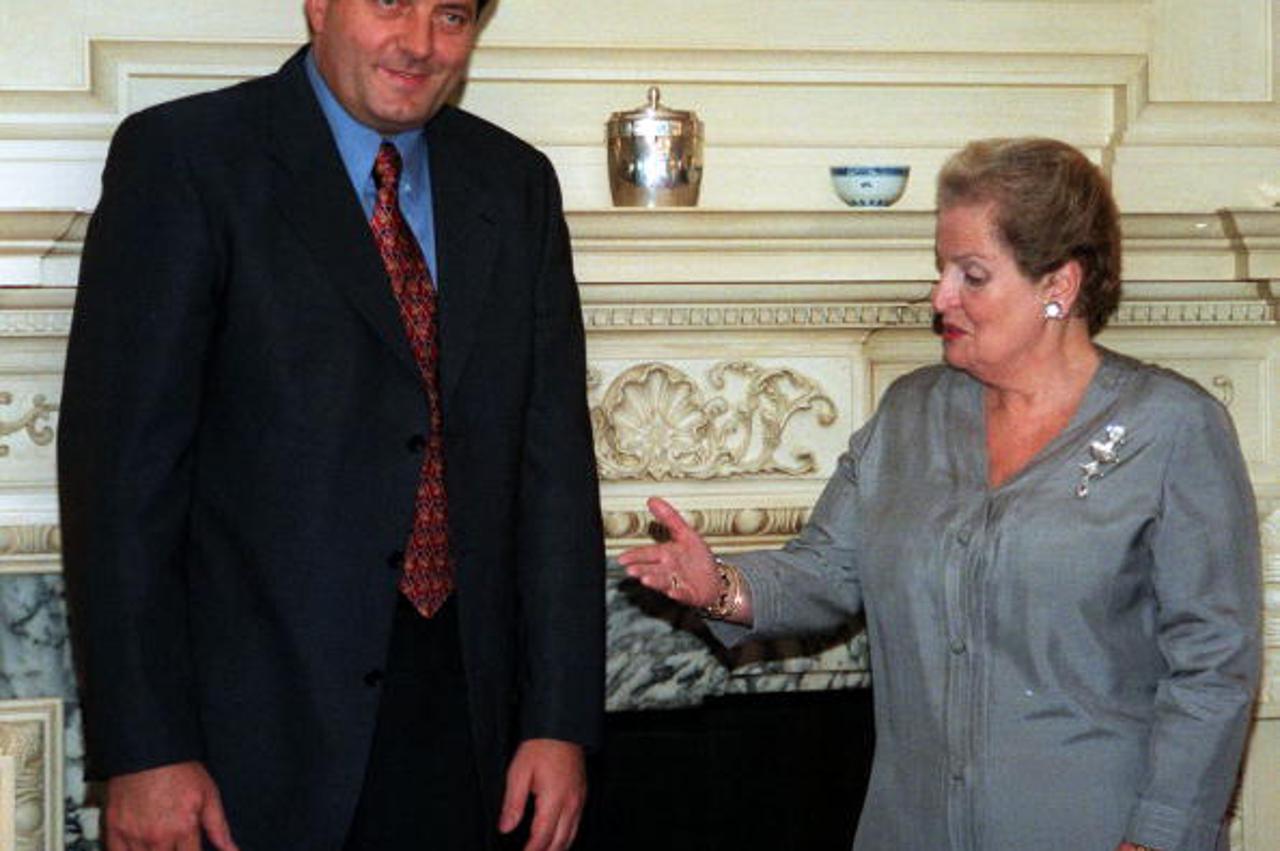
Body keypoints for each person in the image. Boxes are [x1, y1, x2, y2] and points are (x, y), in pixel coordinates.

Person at [57, 0, 605, 848]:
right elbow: (121, 483)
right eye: (390, 2)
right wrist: (146, 750)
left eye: (451, 15)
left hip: (470, 734)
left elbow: (555, 474)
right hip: (246, 748)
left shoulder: (515, 183)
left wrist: (560, 721)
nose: (419, 44)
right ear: (318, 5)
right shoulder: (187, 160)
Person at [620, 137, 1261, 851]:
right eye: (941, 268)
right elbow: (828, 567)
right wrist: (722, 585)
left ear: (1060, 285)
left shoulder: (1171, 427)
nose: (940, 297)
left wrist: (1160, 837)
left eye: (972, 275)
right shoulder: (909, 413)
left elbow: (1213, 665)